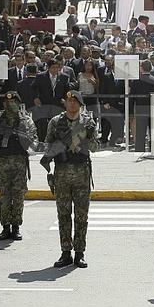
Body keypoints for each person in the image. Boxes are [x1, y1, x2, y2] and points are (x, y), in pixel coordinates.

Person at [43, 91, 100, 268]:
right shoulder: (55, 122)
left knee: (81, 216)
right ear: (65, 103)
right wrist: (57, 148)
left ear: (80, 105)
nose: (72, 104)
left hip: (82, 173)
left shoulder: (88, 122)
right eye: (69, 101)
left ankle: (80, 253)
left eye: (75, 101)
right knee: (63, 215)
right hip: (61, 174)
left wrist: (88, 136)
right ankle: (65, 252)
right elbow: (47, 145)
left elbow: (95, 148)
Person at [0, 91, 37, 241]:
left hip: (19, 163)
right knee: (4, 196)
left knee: (18, 196)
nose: (10, 105)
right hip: (2, 162)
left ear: (19, 104)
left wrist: (21, 138)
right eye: (7, 103)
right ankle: (5, 227)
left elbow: (34, 143)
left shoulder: (26, 121)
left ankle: (16, 226)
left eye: (13, 102)